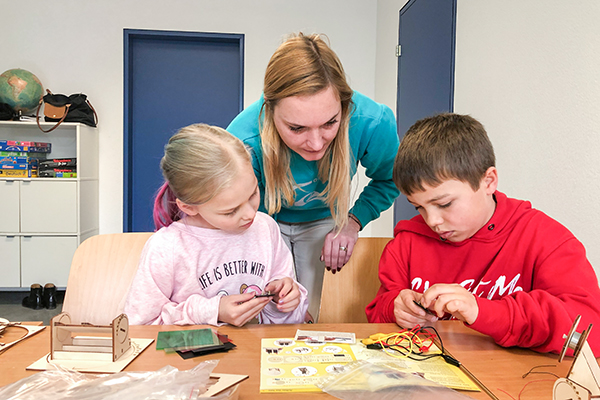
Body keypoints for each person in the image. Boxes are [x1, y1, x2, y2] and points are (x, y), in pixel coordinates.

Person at [365, 113, 600, 355]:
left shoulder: (545, 238)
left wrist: (484, 312)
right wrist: (396, 308)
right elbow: (380, 311)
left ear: (489, 181)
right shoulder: (407, 243)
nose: (432, 221)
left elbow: (590, 333)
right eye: (419, 207)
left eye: (445, 204)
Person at [227, 33, 399, 321]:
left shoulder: (371, 122)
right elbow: (236, 215)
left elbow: (391, 179)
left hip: (324, 218)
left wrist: (353, 221)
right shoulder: (243, 139)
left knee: (314, 314)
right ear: (270, 112)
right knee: (268, 313)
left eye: (330, 123)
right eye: (297, 128)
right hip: (262, 220)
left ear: (345, 107)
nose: (317, 144)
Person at [124, 123, 308, 326]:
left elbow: (290, 321)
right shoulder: (166, 247)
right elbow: (138, 327)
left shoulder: (266, 228)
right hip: (190, 358)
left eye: (253, 194)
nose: (250, 214)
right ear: (189, 207)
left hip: (258, 354)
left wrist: (286, 300)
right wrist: (211, 311)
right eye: (230, 211)